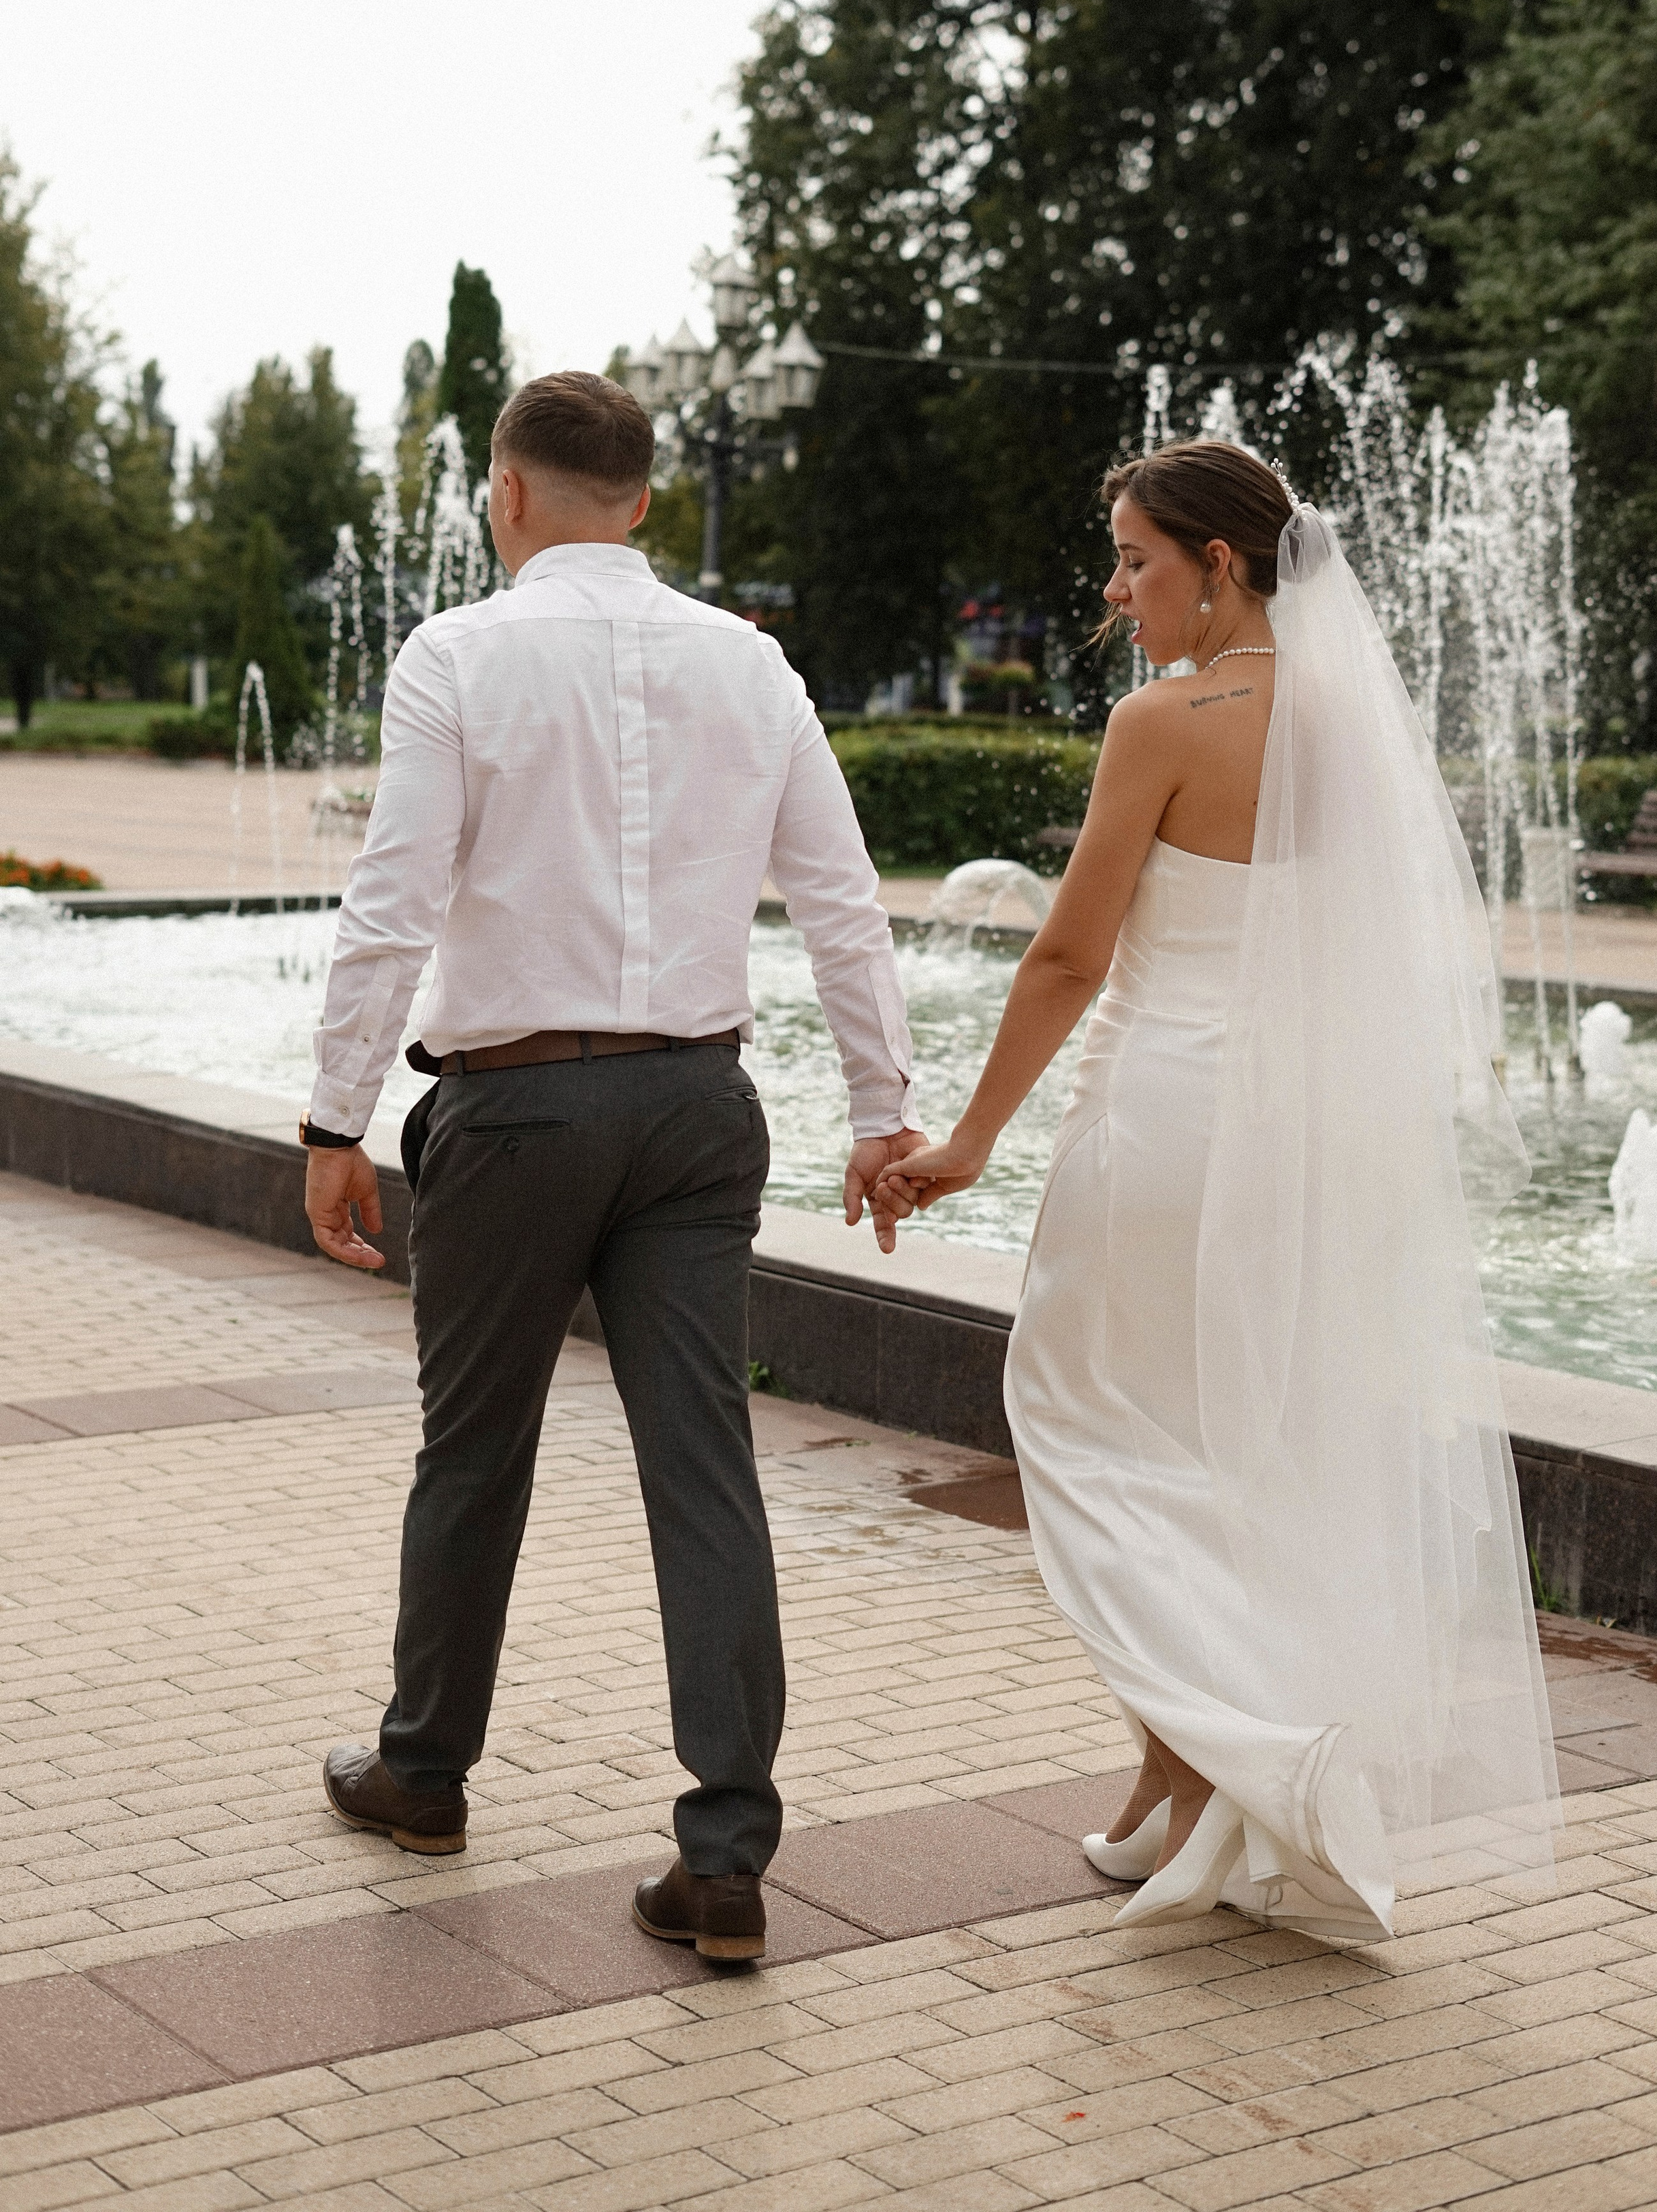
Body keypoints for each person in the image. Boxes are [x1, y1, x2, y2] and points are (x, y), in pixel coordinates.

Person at [877, 440, 1559, 1942]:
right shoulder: (1355, 729)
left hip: (1166, 1126)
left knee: (1086, 1427)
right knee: (1230, 1445)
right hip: (1302, 1145)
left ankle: (1249, 1750)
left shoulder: (1165, 722)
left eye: (1136, 560)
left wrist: (971, 1139)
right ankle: (1173, 1782)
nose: (1117, 593)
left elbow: (1068, 955)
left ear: (1224, 564)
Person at [300, 370, 922, 1963]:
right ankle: (723, 1858)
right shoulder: (752, 662)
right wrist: (878, 1110)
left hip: (515, 1117)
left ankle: (424, 1774)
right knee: (701, 1467)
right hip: (697, 1115)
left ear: (505, 493)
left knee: (475, 1452)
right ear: (641, 500)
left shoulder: (456, 653)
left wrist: (333, 1119)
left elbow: (392, 902)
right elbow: (841, 906)